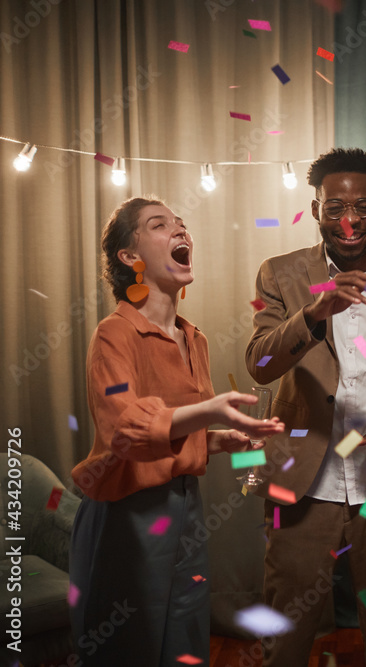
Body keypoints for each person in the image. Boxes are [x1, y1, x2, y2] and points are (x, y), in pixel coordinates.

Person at [70, 197, 284, 665]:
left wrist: (220, 441)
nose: (179, 231)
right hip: (128, 515)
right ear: (131, 257)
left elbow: (174, 435)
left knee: (185, 642)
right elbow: (124, 430)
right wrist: (210, 411)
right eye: (159, 225)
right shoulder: (114, 334)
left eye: (182, 225)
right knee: (129, 647)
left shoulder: (195, 338)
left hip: (186, 507)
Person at [246, 147, 366, 666]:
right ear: (315, 211)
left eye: (362, 207)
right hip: (304, 477)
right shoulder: (280, 273)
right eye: (335, 208)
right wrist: (313, 313)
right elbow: (259, 364)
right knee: (285, 633)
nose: (349, 221)